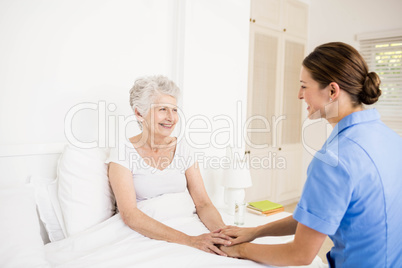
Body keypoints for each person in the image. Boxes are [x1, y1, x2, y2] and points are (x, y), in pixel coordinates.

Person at [218, 42, 402, 267]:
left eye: (304, 86)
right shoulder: (391, 139)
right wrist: (255, 232)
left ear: (332, 91)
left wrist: (240, 249)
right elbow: (317, 217)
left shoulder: (333, 159)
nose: (299, 95)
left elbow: (299, 254)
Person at [106, 75, 231, 256]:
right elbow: (130, 215)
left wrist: (224, 235)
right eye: (163, 109)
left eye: (174, 110)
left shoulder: (183, 149)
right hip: (146, 235)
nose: (171, 118)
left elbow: (203, 204)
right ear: (139, 113)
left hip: (187, 223)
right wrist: (190, 240)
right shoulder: (123, 152)